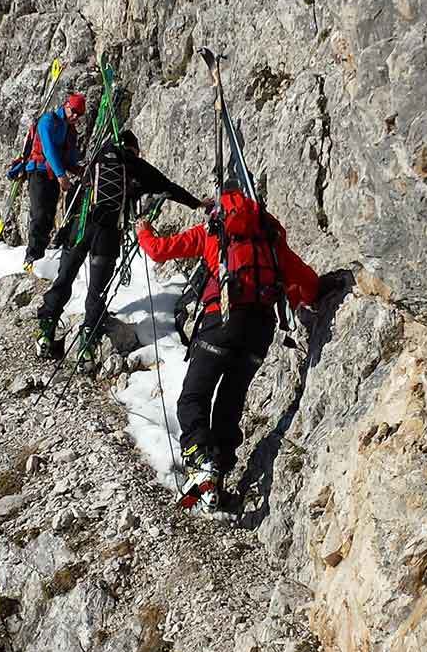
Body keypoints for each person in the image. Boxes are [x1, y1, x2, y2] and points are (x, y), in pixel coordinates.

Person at [136, 183, 319, 514]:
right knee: (230, 402)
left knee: (194, 396)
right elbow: (307, 281)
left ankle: (199, 457)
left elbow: (159, 250)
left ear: (220, 206)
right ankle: (216, 479)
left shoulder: (214, 231)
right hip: (260, 331)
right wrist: (317, 294)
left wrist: (144, 231)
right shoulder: (268, 237)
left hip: (221, 321)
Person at [36, 130, 204, 366]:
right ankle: (87, 343)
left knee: (65, 278)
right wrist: (197, 204)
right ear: (134, 149)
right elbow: (169, 187)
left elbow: (74, 189)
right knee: (96, 291)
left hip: (80, 228)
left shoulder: (96, 157)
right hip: (107, 236)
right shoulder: (134, 164)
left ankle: (46, 329)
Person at [22, 92, 86, 271]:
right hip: (39, 171)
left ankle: (42, 253)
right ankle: (32, 254)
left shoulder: (69, 130)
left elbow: (69, 156)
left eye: (79, 114)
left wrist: (80, 170)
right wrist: (61, 175)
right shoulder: (47, 121)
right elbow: (49, 150)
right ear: (66, 106)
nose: (75, 116)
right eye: (73, 111)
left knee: (49, 215)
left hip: (52, 175)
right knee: (40, 213)